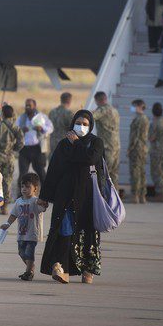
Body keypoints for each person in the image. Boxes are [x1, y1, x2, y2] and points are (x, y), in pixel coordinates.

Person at [38, 110, 106, 284]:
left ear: (90, 126)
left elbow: (90, 159)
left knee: (88, 232)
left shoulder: (95, 143)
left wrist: (76, 144)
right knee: (65, 230)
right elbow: (53, 171)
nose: (81, 126)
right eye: (78, 123)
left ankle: (87, 270)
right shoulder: (63, 144)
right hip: (66, 195)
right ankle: (63, 269)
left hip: (88, 197)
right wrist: (44, 196)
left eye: (85, 124)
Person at [0, 172, 46, 281]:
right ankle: (30, 266)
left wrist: (44, 203)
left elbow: (43, 207)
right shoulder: (18, 202)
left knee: (29, 252)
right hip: (22, 233)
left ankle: (28, 272)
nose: (24, 189)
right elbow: (13, 214)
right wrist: (7, 224)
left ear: (35, 188)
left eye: (28, 187)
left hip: (32, 233)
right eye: (22, 186)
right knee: (21, 252)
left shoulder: (35, 201)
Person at [16, 99, 52, 184]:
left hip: (37, 149)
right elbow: (15, 129)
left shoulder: (41, 117)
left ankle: (46, 194)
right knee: (22, 174)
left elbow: (50, 128)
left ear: (34, 106)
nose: (27, 107)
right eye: (26, 105)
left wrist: (42, 128)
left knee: (41, 173)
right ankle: (20, 195)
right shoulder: (21, 118)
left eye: (29, 105)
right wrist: (21, 130)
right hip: (24, 149)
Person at [92, 91, 121, 189]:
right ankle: (115, 195)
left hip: (107, 146)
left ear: (97, 100)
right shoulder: (114, 110)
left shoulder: (102, 110)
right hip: (116, 145)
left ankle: (104, 196)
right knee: (114, 173)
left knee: (104, 172)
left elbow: (91, 117)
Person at [128, 99, 149, 204]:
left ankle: (135, 195)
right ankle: (142, 196)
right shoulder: (145, 118)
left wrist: (130, 148)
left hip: (136, 149)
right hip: (143, 148)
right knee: (141, 172)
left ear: (140, 106)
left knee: (135, 172)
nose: (132, 108)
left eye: (134, 105)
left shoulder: (139, 119)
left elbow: (135, 137)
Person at [148, 103, 163, 202]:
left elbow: (151, 138)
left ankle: (159, 194)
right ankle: (161, 193)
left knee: (156, 173)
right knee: (162, 172)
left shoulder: (154, 123)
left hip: (156, 151)